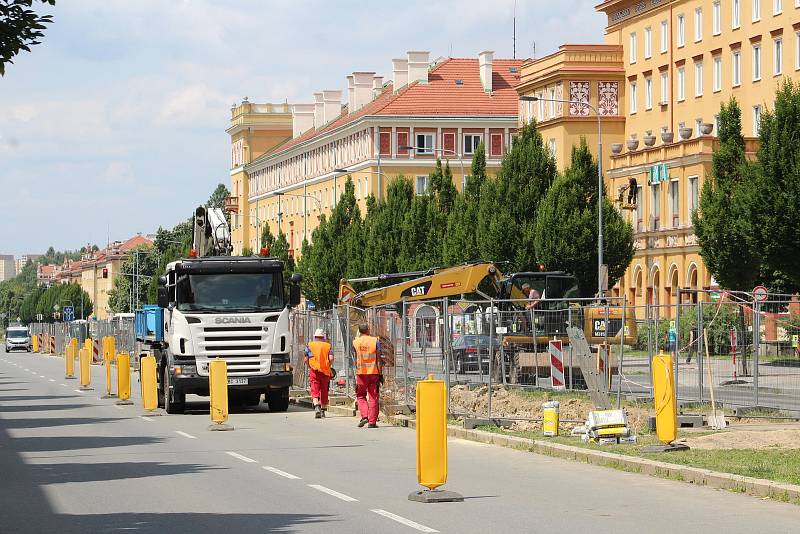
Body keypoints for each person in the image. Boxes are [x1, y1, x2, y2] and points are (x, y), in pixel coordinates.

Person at [353, 323, 381, 428]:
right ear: (368, 330)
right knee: (373, 397)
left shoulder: (356, 342)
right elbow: (379, 359)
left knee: (360, 395)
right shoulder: (375, 341)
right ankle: (372, 422)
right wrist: (380, 373)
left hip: (361, 373)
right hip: (373, 372)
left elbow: (356, 358)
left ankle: (364, 416)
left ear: (360, 331)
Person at [305, 328, 334, 419]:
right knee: (324, 390)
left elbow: (306, 359)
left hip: (314, 371)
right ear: (323, 337)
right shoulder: (328, 346)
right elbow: (331, 358)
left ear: (315, 337)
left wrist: (310, 365)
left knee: (314, 389)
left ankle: (317, 406)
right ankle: (323, 410)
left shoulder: (309, 345)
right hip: (325, 371)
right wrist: (328, 365)